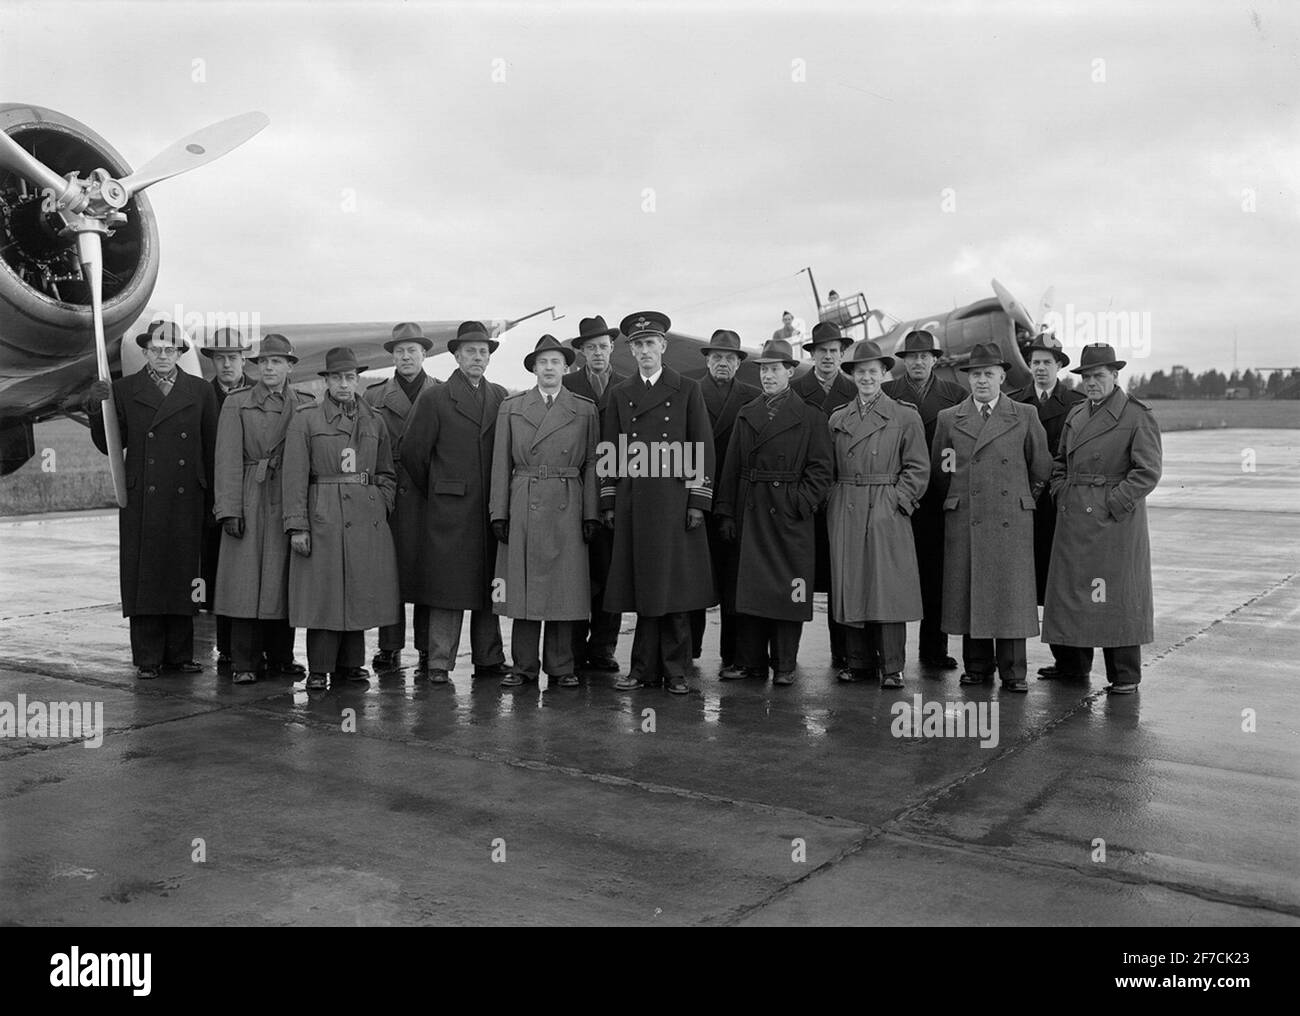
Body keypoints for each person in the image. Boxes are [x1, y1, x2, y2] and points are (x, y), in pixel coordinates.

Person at [85, 320, 218, 679]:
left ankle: (180, 655)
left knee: (183, 573)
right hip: (143, 494)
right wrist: (96, 408)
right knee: (145, 574)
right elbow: (109, 443)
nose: (162, 355)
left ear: (180, 353)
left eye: (170, 349)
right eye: (156, 349)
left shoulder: (201, 391)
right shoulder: (124, 390)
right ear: (145, 352)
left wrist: (214, 500)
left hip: (187, 493)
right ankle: (147, 658)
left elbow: (211, 446)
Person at [601, 311, 717, 694]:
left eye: (651, 343)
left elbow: (701, 445)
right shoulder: (620, 394)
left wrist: (698, 501)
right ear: (631, 351)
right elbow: (612, 451)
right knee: (643, 589)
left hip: (675, 499)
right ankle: (641, 669)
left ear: (664, 346)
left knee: (676, 589)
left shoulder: (687, 388)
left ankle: (676, 670)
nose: (645, 350)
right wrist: (610, 500)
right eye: (638, 345)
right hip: (636, 500)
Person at [930, 342, 1051, 692]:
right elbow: (942, 469)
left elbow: (1040, 466)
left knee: (1010, 597)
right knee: (972, 593)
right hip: (967, 518)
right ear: (967, 379)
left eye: (988, 374)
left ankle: (1015, 672)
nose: (981, 381)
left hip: (1010, 519)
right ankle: (977, 667)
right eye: (975, 375)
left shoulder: (1025, 414)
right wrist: (958, 500)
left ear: (1002, 375)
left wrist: (1021, 499)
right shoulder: (949, 419)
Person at [1042, 343, 1162, 694]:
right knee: (1073, 594)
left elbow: (1148, 471)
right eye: (1087, 376)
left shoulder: (1137, 415)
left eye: (1099, 375)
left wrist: (1114, 503)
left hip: (1114, 524)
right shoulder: (1077, 413)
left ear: (1114, 375)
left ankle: (1124, 675)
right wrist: (1061, 490)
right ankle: (1072, 665)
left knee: (1116, 598)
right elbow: (1060, 461)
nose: (1092, 382)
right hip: (1073, 516)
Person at [714, 338, 833, 685]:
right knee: (749, 591)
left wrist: (799, 502)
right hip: (751, 514)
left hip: (788, 517)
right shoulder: (747, 413)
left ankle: (784, 665)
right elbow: (732, 466)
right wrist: (725, 512)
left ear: (790, 371)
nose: (767, 376)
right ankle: (749, 662)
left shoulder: (811, 416)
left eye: (774, 369)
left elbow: (822, 470)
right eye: (763, 370)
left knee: (788, 592)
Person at [282, 346, 400, 689]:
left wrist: (381, 502)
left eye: (350, 377)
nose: (344, 384)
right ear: (327, 381)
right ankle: (319, 668)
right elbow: (294, 477)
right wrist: (297, 525)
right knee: (323, 595)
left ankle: (351, 665)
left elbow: (386, 471)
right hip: (324, 515)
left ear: (358, 380)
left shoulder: (375, 420)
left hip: (366, 517)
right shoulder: (306, 419)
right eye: (337, 378)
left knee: (359, 592)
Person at [401, 321, 509, 684]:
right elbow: (413, 453)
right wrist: (439, 489)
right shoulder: (434, 398)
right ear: (456, 355)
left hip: (487, 508)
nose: (477, 357)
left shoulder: (499, 396)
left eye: (483, 352)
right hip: (450, 508)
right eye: (470, 351)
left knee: (487, 586)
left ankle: (490, 658)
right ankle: (439, 662)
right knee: (447, 589)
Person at [490, 335, 601, 689]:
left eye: (555, 362)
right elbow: (499, 463)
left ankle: (561, 666)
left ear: (566, 368)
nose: (549, 368)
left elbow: (593, 465)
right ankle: (523, 666)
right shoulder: (512, 406)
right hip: (524, 499)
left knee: (563, 589)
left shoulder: (585, 408)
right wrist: (499, 512)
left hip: (568, 501)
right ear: (534, 368)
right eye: (543, 362)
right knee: (522, 589)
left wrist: (590, 513)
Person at [826, 339, 928, 688]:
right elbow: (828, 466)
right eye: (860, 372)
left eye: (873, 371)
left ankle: (893, 667)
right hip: (848, 506)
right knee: (852, 583)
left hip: (885, 506)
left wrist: (899, 502)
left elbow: (918, 468)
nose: (866, 377)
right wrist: (833, 501)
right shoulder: (839, 417)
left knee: (887, 588)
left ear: (885, 373)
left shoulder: (905, 416)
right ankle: (859, 663)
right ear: (852, 376)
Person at [212, 333, 312, 684]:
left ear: (289, 367)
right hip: (249, 496)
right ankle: (244, 662)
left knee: (284, 580)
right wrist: (228, 509)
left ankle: (282, 657)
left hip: (287, 496)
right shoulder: (237, 403)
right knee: (244, 582)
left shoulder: (304, 402)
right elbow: (225, 459)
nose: (269, 367)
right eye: (264, 362)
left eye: (277, 361)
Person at [881, 329, 967, 669]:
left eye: (925, 356)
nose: (918, 361)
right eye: (912, 356)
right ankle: (888, 651)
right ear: (903, 361)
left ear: (935, 359)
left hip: (937, 499)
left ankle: (934, 649)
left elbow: (960, 450)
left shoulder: (955, 394)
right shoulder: (887, 393)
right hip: (896, 497)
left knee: (936, 576)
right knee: (892, 575)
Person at [1007, 333, 1086, 680]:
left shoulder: (1077, 403)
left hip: (1057, 507)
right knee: (1020, 582)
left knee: (1062, 586)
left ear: (1059, 366)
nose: (1040, 368)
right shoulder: (1012, 401)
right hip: (1020, 505)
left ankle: (1073, 663)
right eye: (1035, 362)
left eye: (1047, 362)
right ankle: (1011, 663)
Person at [365, 322, 438, 675]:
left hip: (428, 492)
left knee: (427, 573)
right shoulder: (374, 397)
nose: (406, 356)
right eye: (399, 351)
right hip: (390, 492)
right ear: (392, 356)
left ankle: (427, 648)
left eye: (412, 350)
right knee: (387, 572)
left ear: (425, 354)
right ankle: (389, 646)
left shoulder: (439, 392)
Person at [688, 329, 760, 668]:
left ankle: (734, 655)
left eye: (729, 358)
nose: (722, 363)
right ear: (706, 359)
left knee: (734, 581)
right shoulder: (690, 393)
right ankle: (687, 652)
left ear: (738, 363)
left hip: (736, 500)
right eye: (716, 357)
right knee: (693, 578)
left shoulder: (753, 396)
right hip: (696, 497)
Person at [563, 315, 628, 672]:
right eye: (591, 347)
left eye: (603, 346)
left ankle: (603, 646)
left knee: (610, 571)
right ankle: (572, 647)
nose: (598, 353)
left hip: (614, 487)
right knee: (575, 572)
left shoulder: (627, 384)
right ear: (581, 351)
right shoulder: (567, 383)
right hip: (573, 488)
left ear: (612, 348)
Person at [792, 320, 857, 668]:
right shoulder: (796, 389)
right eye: (822, 351)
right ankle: (789, 655)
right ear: (812, 355)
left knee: (840, 576)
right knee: (797, 573)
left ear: (842, 353)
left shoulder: (854, 389)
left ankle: (843, 652)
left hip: (842, 496)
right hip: (804, 495)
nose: (828, 357)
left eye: (834, 351)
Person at [199, 326, 252, 671]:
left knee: (249, 573)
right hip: (209, 500)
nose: (227, 364)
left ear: (244, 359)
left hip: (249, 498)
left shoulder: (258, 394)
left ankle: (256, 647)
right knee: (218, 575)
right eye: (220, 358)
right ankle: (227, 647)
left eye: (233, 357)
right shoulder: (201, 395)